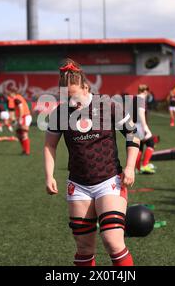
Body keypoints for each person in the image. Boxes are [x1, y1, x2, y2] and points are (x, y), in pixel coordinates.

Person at [44, 58, 140, 266]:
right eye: (66, 97)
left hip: (109, 181)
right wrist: (49, 175)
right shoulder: (59, 113)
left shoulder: (109, 106)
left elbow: (133, 134)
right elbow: (50, 145)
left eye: (73, 95)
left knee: (112, 241)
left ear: (86, 87)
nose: (71, 102)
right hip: (78, 185)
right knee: (84, 247)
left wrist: (131, 167)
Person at [134, 85, 156, 175]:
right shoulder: (141, 99)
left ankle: (138, 168)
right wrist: (145, 127)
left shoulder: (134, 98)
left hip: (134, 125)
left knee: (140, 147)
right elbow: (141, 113)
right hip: (140, 126)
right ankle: (145, 165)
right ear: (146, 91)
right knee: (151, 143)